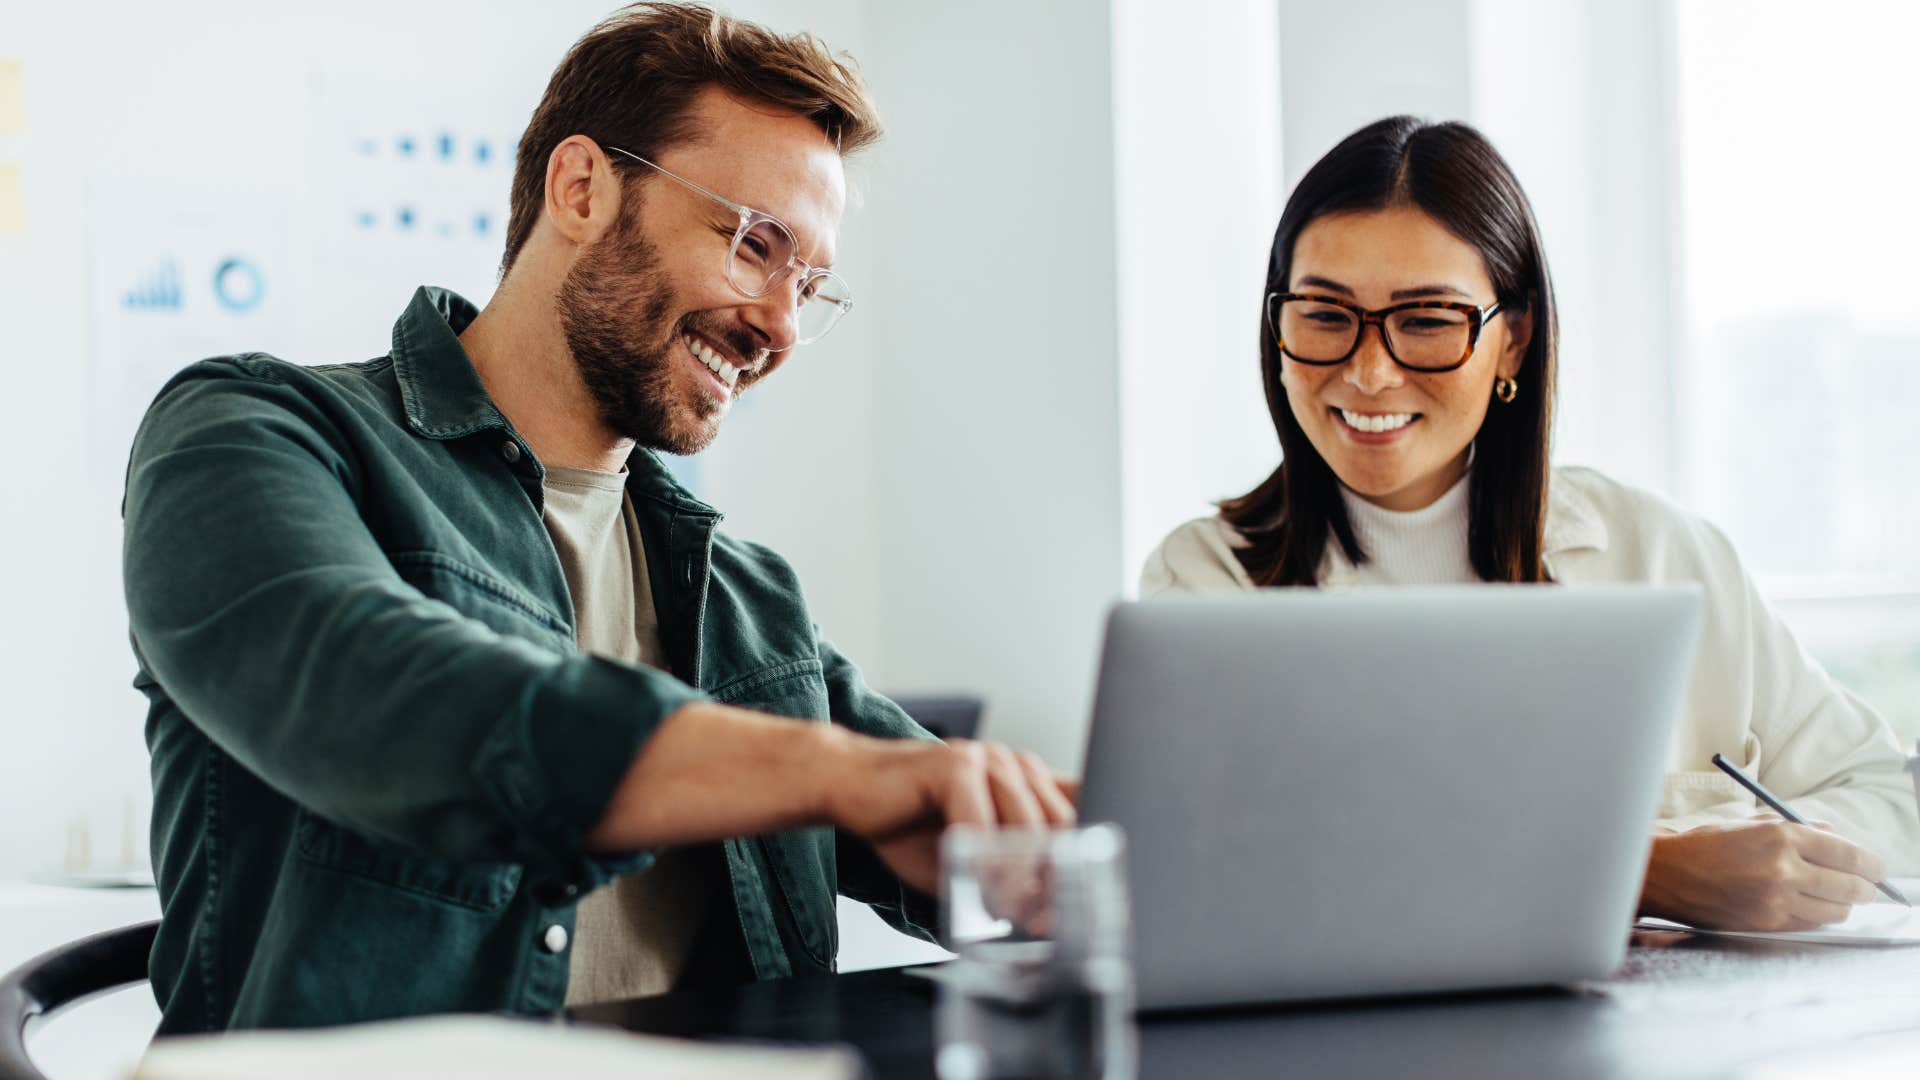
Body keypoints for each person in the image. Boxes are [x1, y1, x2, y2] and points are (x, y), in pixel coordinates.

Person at [123, 3, 1073, 1035]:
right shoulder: (255, 430)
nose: (782, 327)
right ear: (582, 188)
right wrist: (838, 774)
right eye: (755, 244)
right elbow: (380, 689)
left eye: (810, 284)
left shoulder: (748, 598)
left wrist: (1059, 847)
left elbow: (933, 807)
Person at [1140, 115, 1919, 933]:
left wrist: (1762, 859)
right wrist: (1643, 871)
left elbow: (1891, 800)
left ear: (1512, 342)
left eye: (1428, 321)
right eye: (1325, 316)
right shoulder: (1204, 584)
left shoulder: (1658, 552)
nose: (1369, 371)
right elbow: (1215, 867)